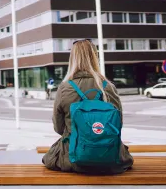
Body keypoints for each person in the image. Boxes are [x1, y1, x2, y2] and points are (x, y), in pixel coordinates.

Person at [42, 39, 133, 174]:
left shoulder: (65, 88)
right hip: (110, 157)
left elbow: (59, 128)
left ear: (72, 59)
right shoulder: (108, 87)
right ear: (94, 57)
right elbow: (118, 125)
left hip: (72, 158)